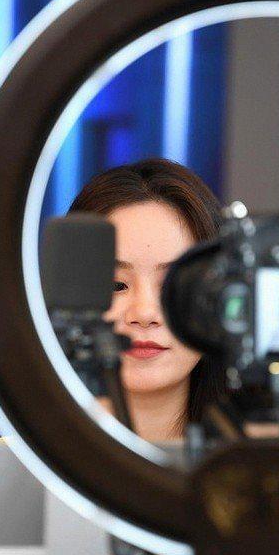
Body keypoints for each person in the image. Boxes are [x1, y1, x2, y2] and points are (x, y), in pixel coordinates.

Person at [68, 158, 226, 443]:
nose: (144, 313)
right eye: (115, 285)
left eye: (173, 285)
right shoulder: (10, 463)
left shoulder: (265, 464)